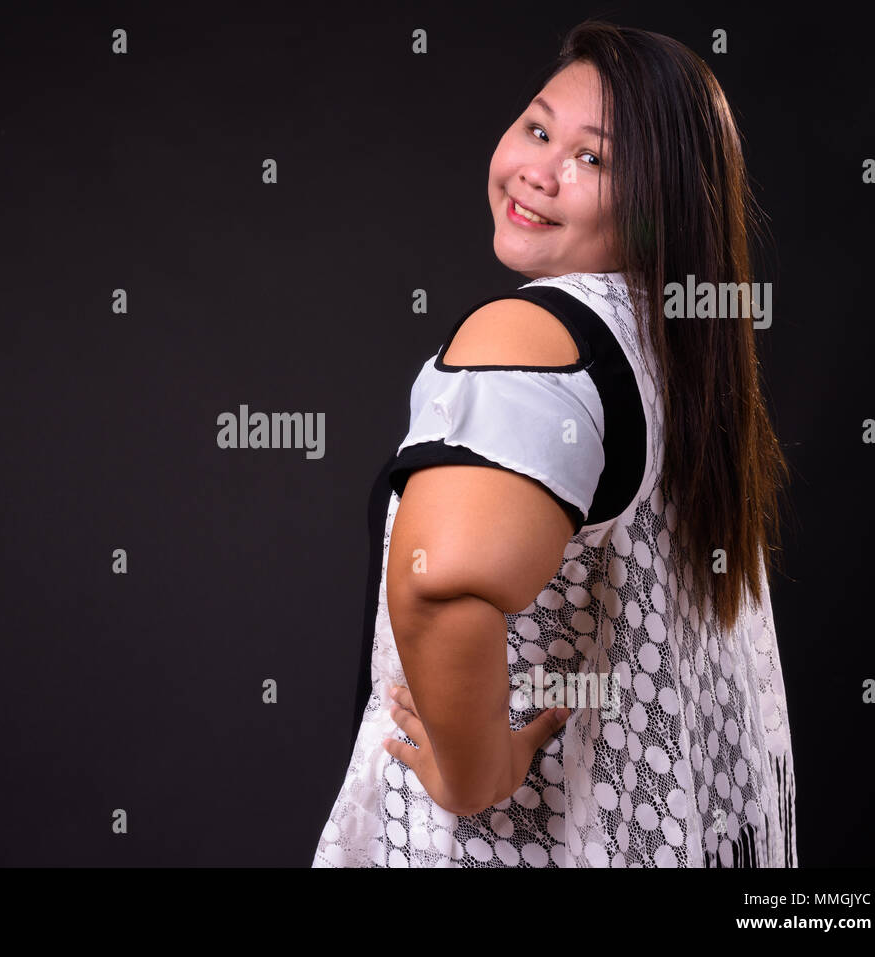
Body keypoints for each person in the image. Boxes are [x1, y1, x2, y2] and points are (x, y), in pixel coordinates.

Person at [312, 19, 796, 867]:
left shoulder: (529, 336)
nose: (538, 170)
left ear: (663, 203)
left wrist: (473, 773)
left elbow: (438, 583)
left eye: (594, 159)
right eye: (538, 129)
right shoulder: (678, 342)